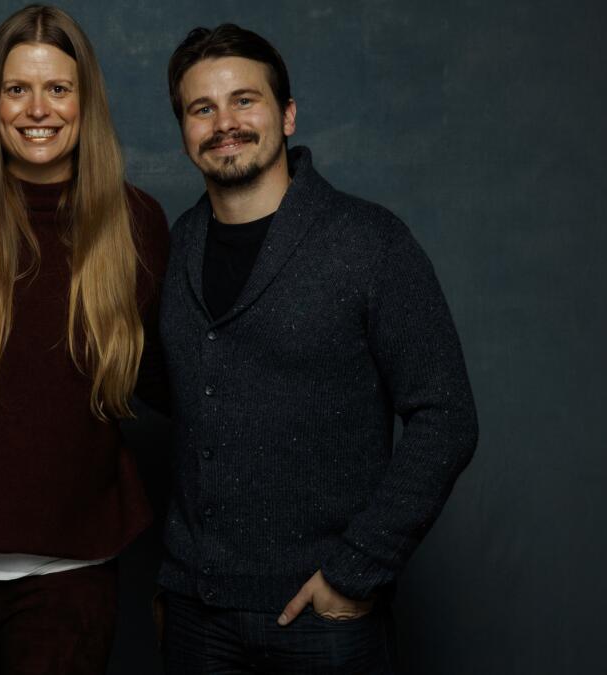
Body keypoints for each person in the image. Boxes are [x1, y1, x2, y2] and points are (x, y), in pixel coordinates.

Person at [155, 24, 479, 674]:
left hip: (321, 618)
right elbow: (176, 391)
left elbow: (446, 415)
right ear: (185, 129)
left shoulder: (369, 242)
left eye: (245, 100)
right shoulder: (177, 247)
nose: (225, 122)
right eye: (202, 108)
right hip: (196, 614)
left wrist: (355, 571)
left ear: (289, 113)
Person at [0, 5, 170, 672]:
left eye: (58, 88)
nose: (37, 109)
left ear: (85, 102)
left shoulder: (136, 222)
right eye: (17, 89)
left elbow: (177, 373)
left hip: (70, 579)